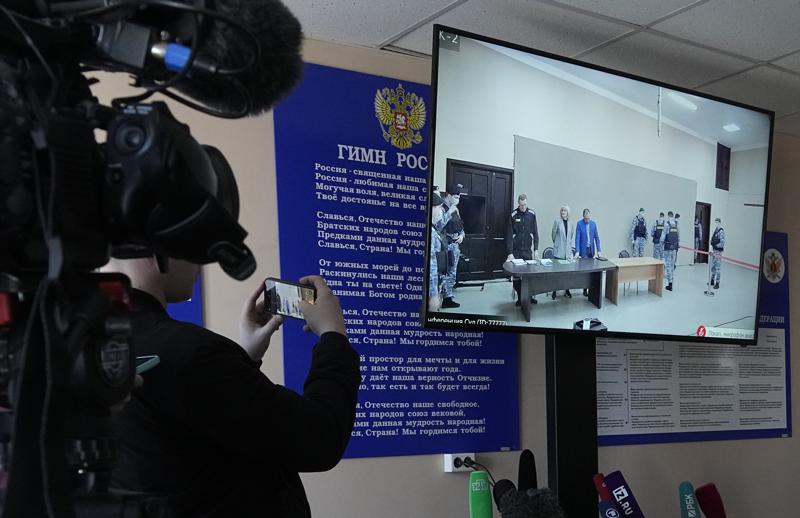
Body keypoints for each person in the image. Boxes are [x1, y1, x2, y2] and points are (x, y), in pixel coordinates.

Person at [107, 256, 360, 517]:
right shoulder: (190, 351)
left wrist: (242, 359)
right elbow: (321, 438)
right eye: (194, 245)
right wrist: (333, 334)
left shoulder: (91, 347)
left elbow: (192, 435)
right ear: (156, 251)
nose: (201, 261)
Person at [506, 193, 540, 305]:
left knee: (529, 276)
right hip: (516, 251)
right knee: (517, 277)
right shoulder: (513, 215)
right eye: (521, 205)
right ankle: (520, 298)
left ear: (526, 202)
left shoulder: (532, 214)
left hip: (527, 251)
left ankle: (529, 297)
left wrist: (536, 249)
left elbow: (535, 233)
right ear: (518, 203)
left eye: (525, 205)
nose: (523, 207)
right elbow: (509, 235)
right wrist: (510, 252)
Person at [440, 184, 466, 309]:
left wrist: (462, 235)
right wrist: (448, 213)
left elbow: (461, 225)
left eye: (459, 197)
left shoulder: (456, 209)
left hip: (455, 245)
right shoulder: (441, 208)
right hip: (446, 245)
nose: (458, 200)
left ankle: (449, 296)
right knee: (446, 273)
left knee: (452, 273)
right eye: (456, 197)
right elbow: (438, 227)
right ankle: (446, 298)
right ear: (449, 195)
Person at [575, 208, 602, 296]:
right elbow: (577, 238)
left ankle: (592, 288)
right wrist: (577, 251)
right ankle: (585, 289)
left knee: (591, 271)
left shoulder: (593, 224)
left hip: (591, 250)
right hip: (583, 250)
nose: (587, 220)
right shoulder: (579, 224)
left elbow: (597, 238)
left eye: (588, 218)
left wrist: (599, 250)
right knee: (585, 271)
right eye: (585, 218)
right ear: (583, 216)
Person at [550, 204, 575, 299]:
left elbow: (571, 236)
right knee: (556, 273)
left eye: (564, 211)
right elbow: (553, 235)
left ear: (568, 212)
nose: (563, 212)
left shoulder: (571, 223)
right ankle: (554, 291)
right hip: (558, 251)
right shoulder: (557, 222)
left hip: (567, 252)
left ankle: (567, 290)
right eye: (562, 211)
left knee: (567, 274)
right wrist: (557, 244)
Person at [429, 193, 446, 311]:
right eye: (439, 207)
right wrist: (433, 294)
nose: (441, 211)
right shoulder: (430, 232)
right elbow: (431, 265)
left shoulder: (433, 227)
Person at [663, 210, 680, 291]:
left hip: (668, 247)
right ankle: (672, 279)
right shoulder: (676, 224)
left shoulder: (667, 224)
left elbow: (663, 236)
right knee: (673, 264)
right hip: (675, 247)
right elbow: (679, 236)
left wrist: (661, 244)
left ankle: (670, 284)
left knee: (668, 264)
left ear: (668, 216)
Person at [710, 217, 726, 289]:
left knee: (718, 268)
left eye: (717, 222)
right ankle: (712, 280)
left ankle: (717, 283)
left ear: (719, 222)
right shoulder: (715, 230)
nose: (716, 223)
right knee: (713, 267)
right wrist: (712, 243)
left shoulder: (721, 231)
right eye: (715, 222)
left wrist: (716, 245)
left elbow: (722, 243)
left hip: (718, 252)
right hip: (714, 251)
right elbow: (712, 239)